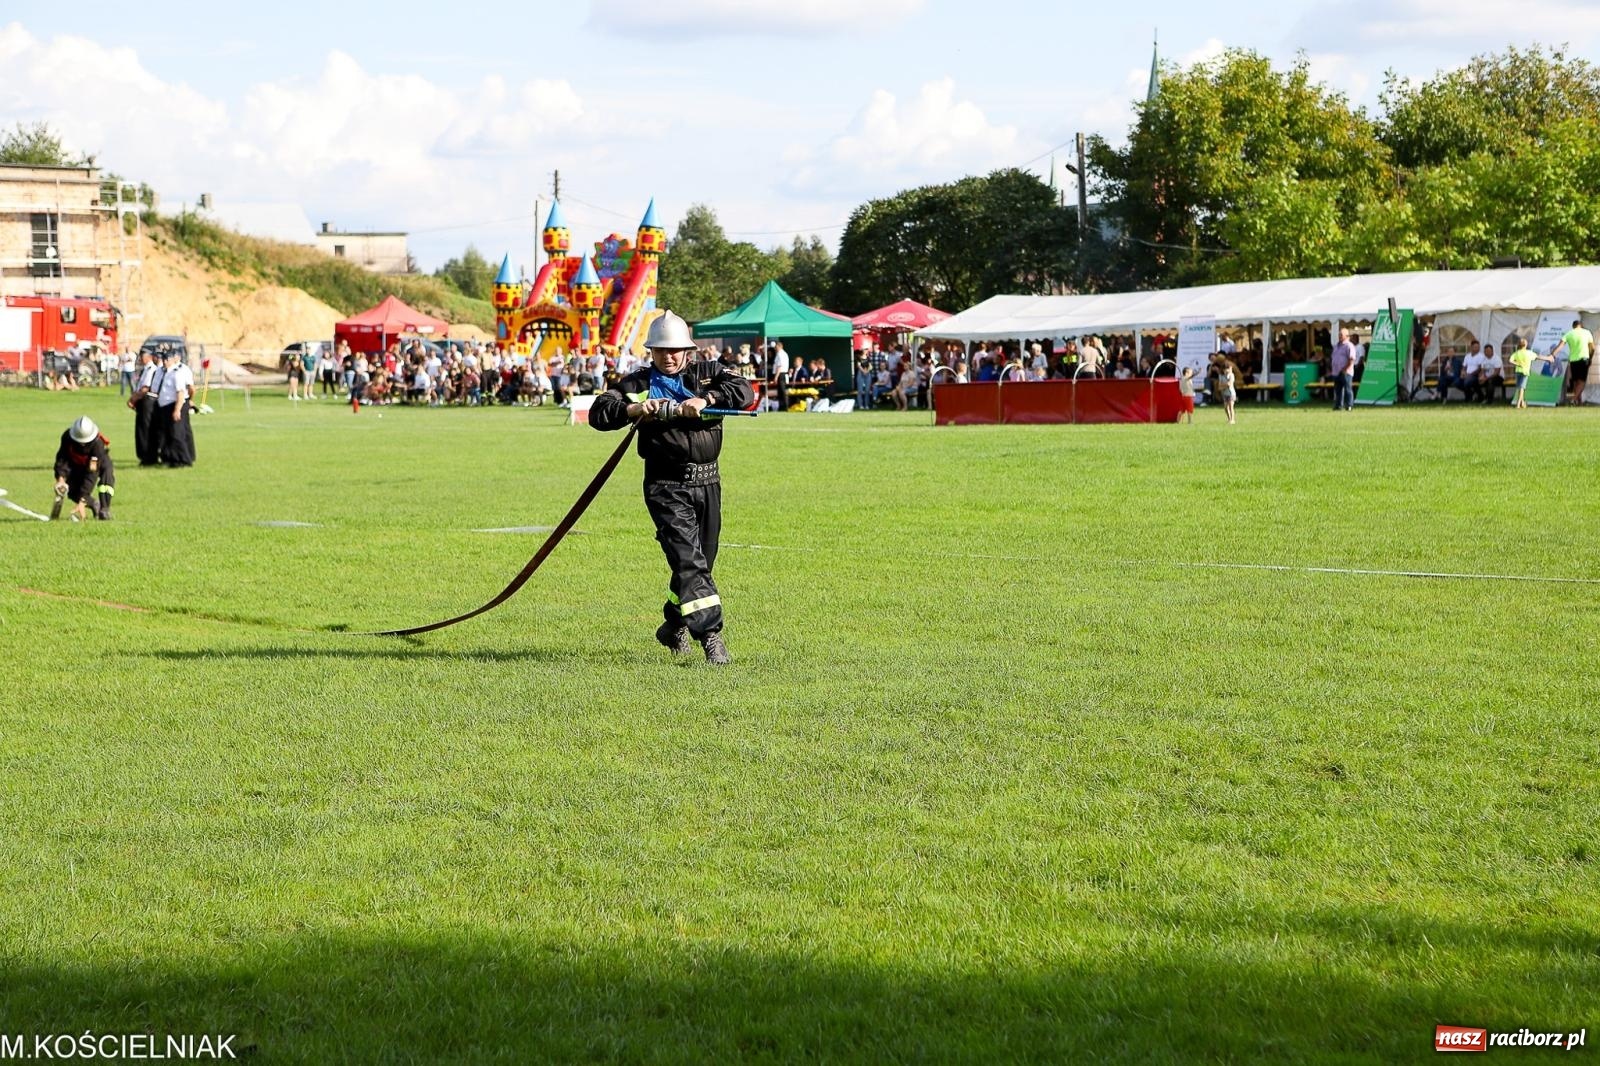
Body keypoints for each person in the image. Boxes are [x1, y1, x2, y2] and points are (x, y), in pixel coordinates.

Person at [590, 311, 756, 665]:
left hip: (709, 482)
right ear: (651, 351)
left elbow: (744, 391)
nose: (669, 356)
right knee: (689, 561)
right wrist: (634, 408)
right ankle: (711, 637)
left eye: (676, 349)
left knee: (699, 565)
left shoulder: (710, 373)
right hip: (665, 486)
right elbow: (600, 412)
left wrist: (706, 401)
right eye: (661, 350)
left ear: (688, 351)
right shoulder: (638, 381)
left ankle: (673, 624)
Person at [53, 416, 116, 521]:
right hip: (77, 464)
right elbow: (62, 459)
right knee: (73, 492)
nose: (82, 444)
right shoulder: (67, 437)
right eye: (79, 442)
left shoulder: (97, 444)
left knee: (107, 478)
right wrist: (61, 479)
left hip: (98, 463)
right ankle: (94, 504)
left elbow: (92, 473)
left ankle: (104, 509)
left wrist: (83, 499)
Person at [155, 347, 196, 466]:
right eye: (163, 359)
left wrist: (177, 409)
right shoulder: (165, 372)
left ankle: (184, 459)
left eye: (167, 359)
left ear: (173, 360)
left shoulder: (177, 373)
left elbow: (181, 393)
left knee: (177, 434)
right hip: (164, 406)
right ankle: (171, 458)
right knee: (167, 434)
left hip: (174, 405)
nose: (165, 361)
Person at [127, 349, 162, 466]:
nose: (140, 359)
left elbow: (145, 388)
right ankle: (145, 455)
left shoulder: (151, 370)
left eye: (142, 356)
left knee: (146, 430)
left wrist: (133, 399)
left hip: (147, 401)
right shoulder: (146, 370)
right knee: (141, 430)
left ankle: (148, 456)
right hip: (143, 402)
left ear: (149, 357)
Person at [1550, 318, 1594, 405]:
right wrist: (1590, 358)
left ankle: (1578, 401)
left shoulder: (1569, 333)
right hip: (1584, 359)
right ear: (1581, 325)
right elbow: (1592, 348)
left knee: (1575, 382)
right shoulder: (1587, 332)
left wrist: (1552, 355)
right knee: (1581, 382)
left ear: (1573, 326)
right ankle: (1573, 399)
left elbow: (1560, 346)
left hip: (1573, 361)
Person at [1330, 327, 1356, 411]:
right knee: (1338, 390)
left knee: (1348, 389)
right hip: (1336, 372)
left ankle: (1349, 405)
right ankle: (1338, 405)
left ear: (1347, 336)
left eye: (1341, 335)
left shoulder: (1349, 346)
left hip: (1346, 372)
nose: (1339, 336)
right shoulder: (1336, 346)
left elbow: (1351, 359)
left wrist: (1345, 369)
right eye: (1339, 334)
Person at [770, 340, 790, 412]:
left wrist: (776, 377)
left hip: (781, 374)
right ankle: (781, 407)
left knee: (782, 391)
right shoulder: (781, 354)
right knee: (780, 392)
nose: (775, 348)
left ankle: (785, 407)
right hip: (781, 374)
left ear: (779, 346)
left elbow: (780, 366)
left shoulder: (780, 354)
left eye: (776, 347)